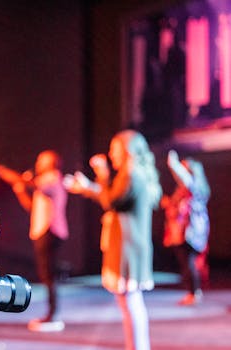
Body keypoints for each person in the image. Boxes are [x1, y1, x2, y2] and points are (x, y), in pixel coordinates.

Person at [64, 130, 162, 350]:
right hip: (129, 244)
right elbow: (113, 197)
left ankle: (138, 347)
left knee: (131, 302)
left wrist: (101, 173)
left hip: (129, 246)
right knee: (128, 302)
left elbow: (111, 200)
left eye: (114, 149)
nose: (111, 154)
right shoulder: (131, 173)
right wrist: (89, 187)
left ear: (127, 151)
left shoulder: (132, 174)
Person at [0, 150, 69, 332]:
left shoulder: (52, 178)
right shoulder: (45, 182)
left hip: (49, 231)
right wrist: (21, 190)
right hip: (44, 231)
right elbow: (32, 206)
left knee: (48, 275)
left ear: (52, 163)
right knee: (46, 275)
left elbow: (24, 181)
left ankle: (52, 315)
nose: (38, 163)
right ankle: (51, 313)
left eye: (42, 160)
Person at [161, 150, 210, 305]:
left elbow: (186, 180)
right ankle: (193, 292)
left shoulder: (194, 185)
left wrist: (173, 164)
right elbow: (178, 206)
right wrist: (169, 203)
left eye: (184, 168)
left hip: (191, 231)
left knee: (189, 261)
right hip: (183, 231)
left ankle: (194, 292)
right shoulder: (185, 189)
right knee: (186, 261)